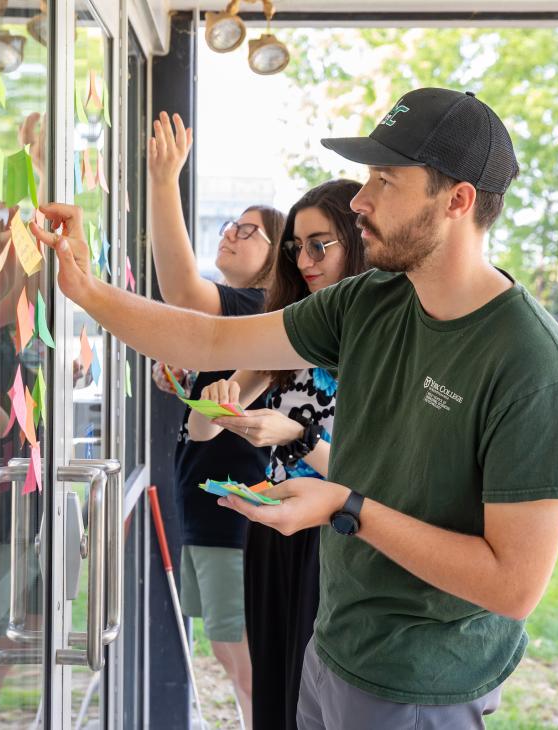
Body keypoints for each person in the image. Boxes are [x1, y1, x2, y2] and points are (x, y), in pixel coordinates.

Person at [34, 87, 558, 729]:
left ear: (458, 200)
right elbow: (209, 337)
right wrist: (83, 287)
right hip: (332, 649)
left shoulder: (532, 365)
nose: (360, 201)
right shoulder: (371, 302)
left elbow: (514, 585)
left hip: (419, 683)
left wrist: (345, 505)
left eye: (385, 179)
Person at [188, 179, 368, 730]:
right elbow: (199, 432)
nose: (305, 259)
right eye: (296, 245)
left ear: (356, 243)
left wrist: (297, 437)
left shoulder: (379, 339)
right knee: (274, 693)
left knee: (315, 694)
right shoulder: (294, 329)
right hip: (272, 529)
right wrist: (218, 400)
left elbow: (371, 482)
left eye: (320, 244)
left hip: (338, 535)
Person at [147, 111, 285, 728]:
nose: (231, 233)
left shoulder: (253, 305)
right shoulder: (240, 320)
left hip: (234, 512)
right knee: (232, 656)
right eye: (232, 224)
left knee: (243, 659)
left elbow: (180, 290)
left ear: (274, 259)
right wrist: (189, 385)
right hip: (209, 507)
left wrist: (163, 180)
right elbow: (215, 413)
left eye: (249, 231)